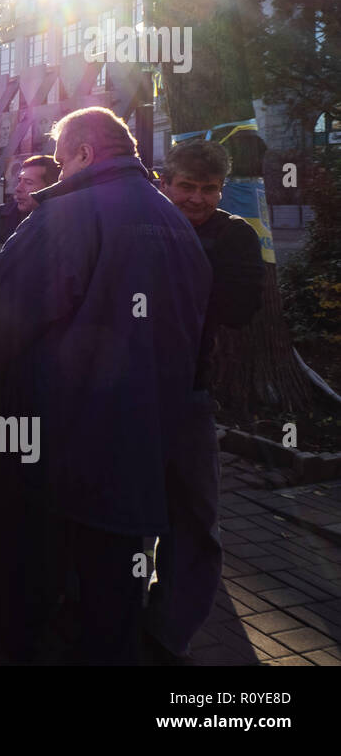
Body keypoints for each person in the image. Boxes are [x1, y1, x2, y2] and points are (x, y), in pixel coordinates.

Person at [0, 107, 211, 664]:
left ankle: (21, 639)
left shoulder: (70, 213)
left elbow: (0, 315)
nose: (54, 173)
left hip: (59, 434)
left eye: (59, 159)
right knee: (115, 581)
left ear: (83, 153)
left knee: (32, 565)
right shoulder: (173, 220)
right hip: (145, 431)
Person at [148, 138, 265, 661]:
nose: (197, 198)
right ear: (165, 183)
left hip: (189, 392)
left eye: (210, 189)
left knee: (194, 520)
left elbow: (238, 308)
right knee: (122, 508)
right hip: (124, 391)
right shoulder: (143, 224)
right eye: (187, 187)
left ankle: (171, 632)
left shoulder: (235, 234)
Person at [0, 155, 60, 253]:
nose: (18, 188)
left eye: (28, 182)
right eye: (19, 180)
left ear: (50, 188)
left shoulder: (62, 222)